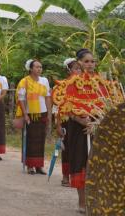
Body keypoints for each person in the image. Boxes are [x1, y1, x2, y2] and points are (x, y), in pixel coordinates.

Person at [54, 49, 109, 214]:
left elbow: (107, 104)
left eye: (92, 61)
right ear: (79, 63)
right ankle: (82, 202)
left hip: (97, 126)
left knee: (96, 163)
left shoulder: (101, 82)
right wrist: (80, 120)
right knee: (80, 163)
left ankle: (96, 200)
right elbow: (66, 106)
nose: (90, 64)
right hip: (78, 128)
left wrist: (98, 120)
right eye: (86, 61)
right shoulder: (72, 83)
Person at [16, 59, 52, 175]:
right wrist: (25, 115)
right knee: (30, 139)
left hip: (42, 113)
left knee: (41, 139)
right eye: (36, 67)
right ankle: (30, 165)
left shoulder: (44, 81)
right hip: (30, 113)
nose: (39, 69)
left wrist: (49, 114)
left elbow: (47, 97)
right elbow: (21, 99)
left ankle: (39, 166)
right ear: (31, 69)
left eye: (40, 67)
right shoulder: (24, 81)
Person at [52, 57, 82, 187]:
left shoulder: (84, 85)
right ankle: (65, 176)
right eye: (76, 68)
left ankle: (78, 178)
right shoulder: (61, 85)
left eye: (80, 69)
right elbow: (56, 107)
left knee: (78, 150)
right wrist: (58, 125)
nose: (78, 71)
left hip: (79, 121)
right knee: (67, 149)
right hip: (65, 120)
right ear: (69, 70)